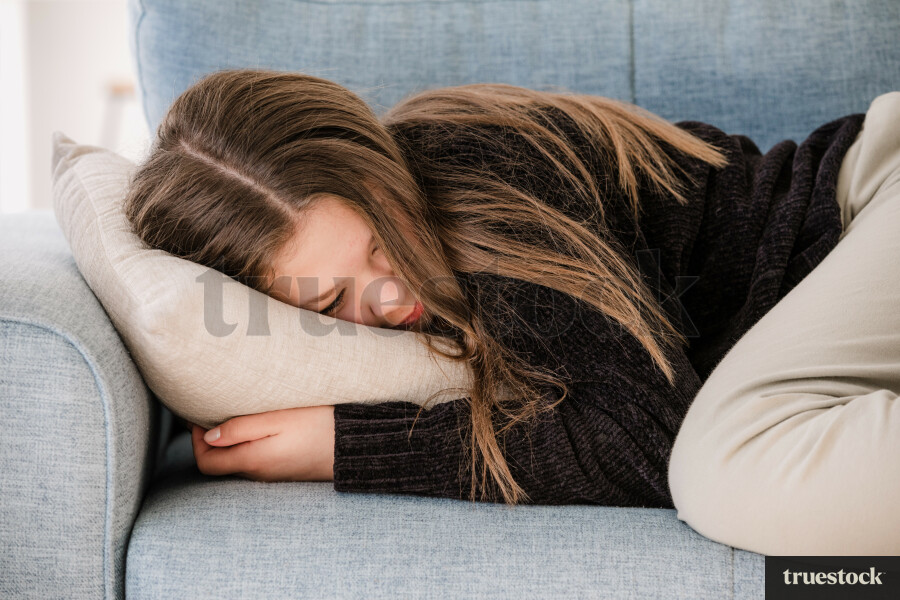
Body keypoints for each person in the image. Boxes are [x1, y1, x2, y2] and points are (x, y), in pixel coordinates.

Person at [124, 69, 886, 551]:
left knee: (722, 475)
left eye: (383, 241)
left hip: (871, 198)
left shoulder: (483, 175)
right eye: (330, 301)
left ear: (378, 170)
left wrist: (347, 446)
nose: (391, 298)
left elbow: (642, 438)